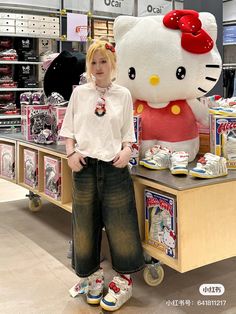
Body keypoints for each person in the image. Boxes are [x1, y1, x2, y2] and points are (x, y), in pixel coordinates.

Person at [60, 39, 145, 312]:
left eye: (103, 61)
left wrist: (127, 150)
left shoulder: (123, 95)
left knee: (121, 224)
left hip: (114, 167)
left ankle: (124, 280)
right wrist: (71, 154)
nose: (98, 67)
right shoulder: (79, 94)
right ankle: (92, 275)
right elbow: (69, 129)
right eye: (93, 62)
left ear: (113, 64)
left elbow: (127, 134)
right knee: (84, 224)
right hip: (84, 167)